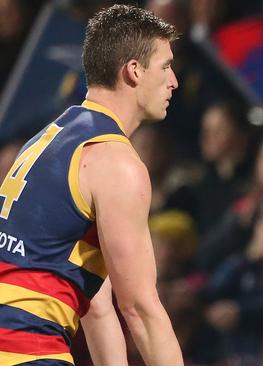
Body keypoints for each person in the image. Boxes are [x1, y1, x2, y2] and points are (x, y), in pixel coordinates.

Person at [0, 4, 183, 365]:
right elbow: (141, 311)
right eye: (165, 66)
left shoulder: (47, 139)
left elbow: (96, 306)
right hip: (25, 349)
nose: (174, 80)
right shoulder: (116, 163)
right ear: (134, 70)